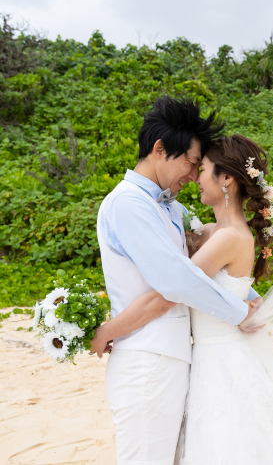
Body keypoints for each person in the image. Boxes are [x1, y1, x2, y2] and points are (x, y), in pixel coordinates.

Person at [93, 133, 273, 464]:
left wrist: (108, 330)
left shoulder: (228, 237)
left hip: (221, 360)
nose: (195, 177)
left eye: (203, 168)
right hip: (202, 358)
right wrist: (247, 296)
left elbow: (179, 285)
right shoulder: (209, 232)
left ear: (226, 179)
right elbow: (193, 269)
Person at [92, 97, 263, 465]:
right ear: (159, 149)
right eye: (190, 162)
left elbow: (204, 264)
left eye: (199, 167)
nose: (193, 174)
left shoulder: (172, 207)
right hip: (147, 359)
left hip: (174, 358)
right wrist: (239, 312)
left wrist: (246, 290)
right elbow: (177, 281)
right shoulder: (128, 204)